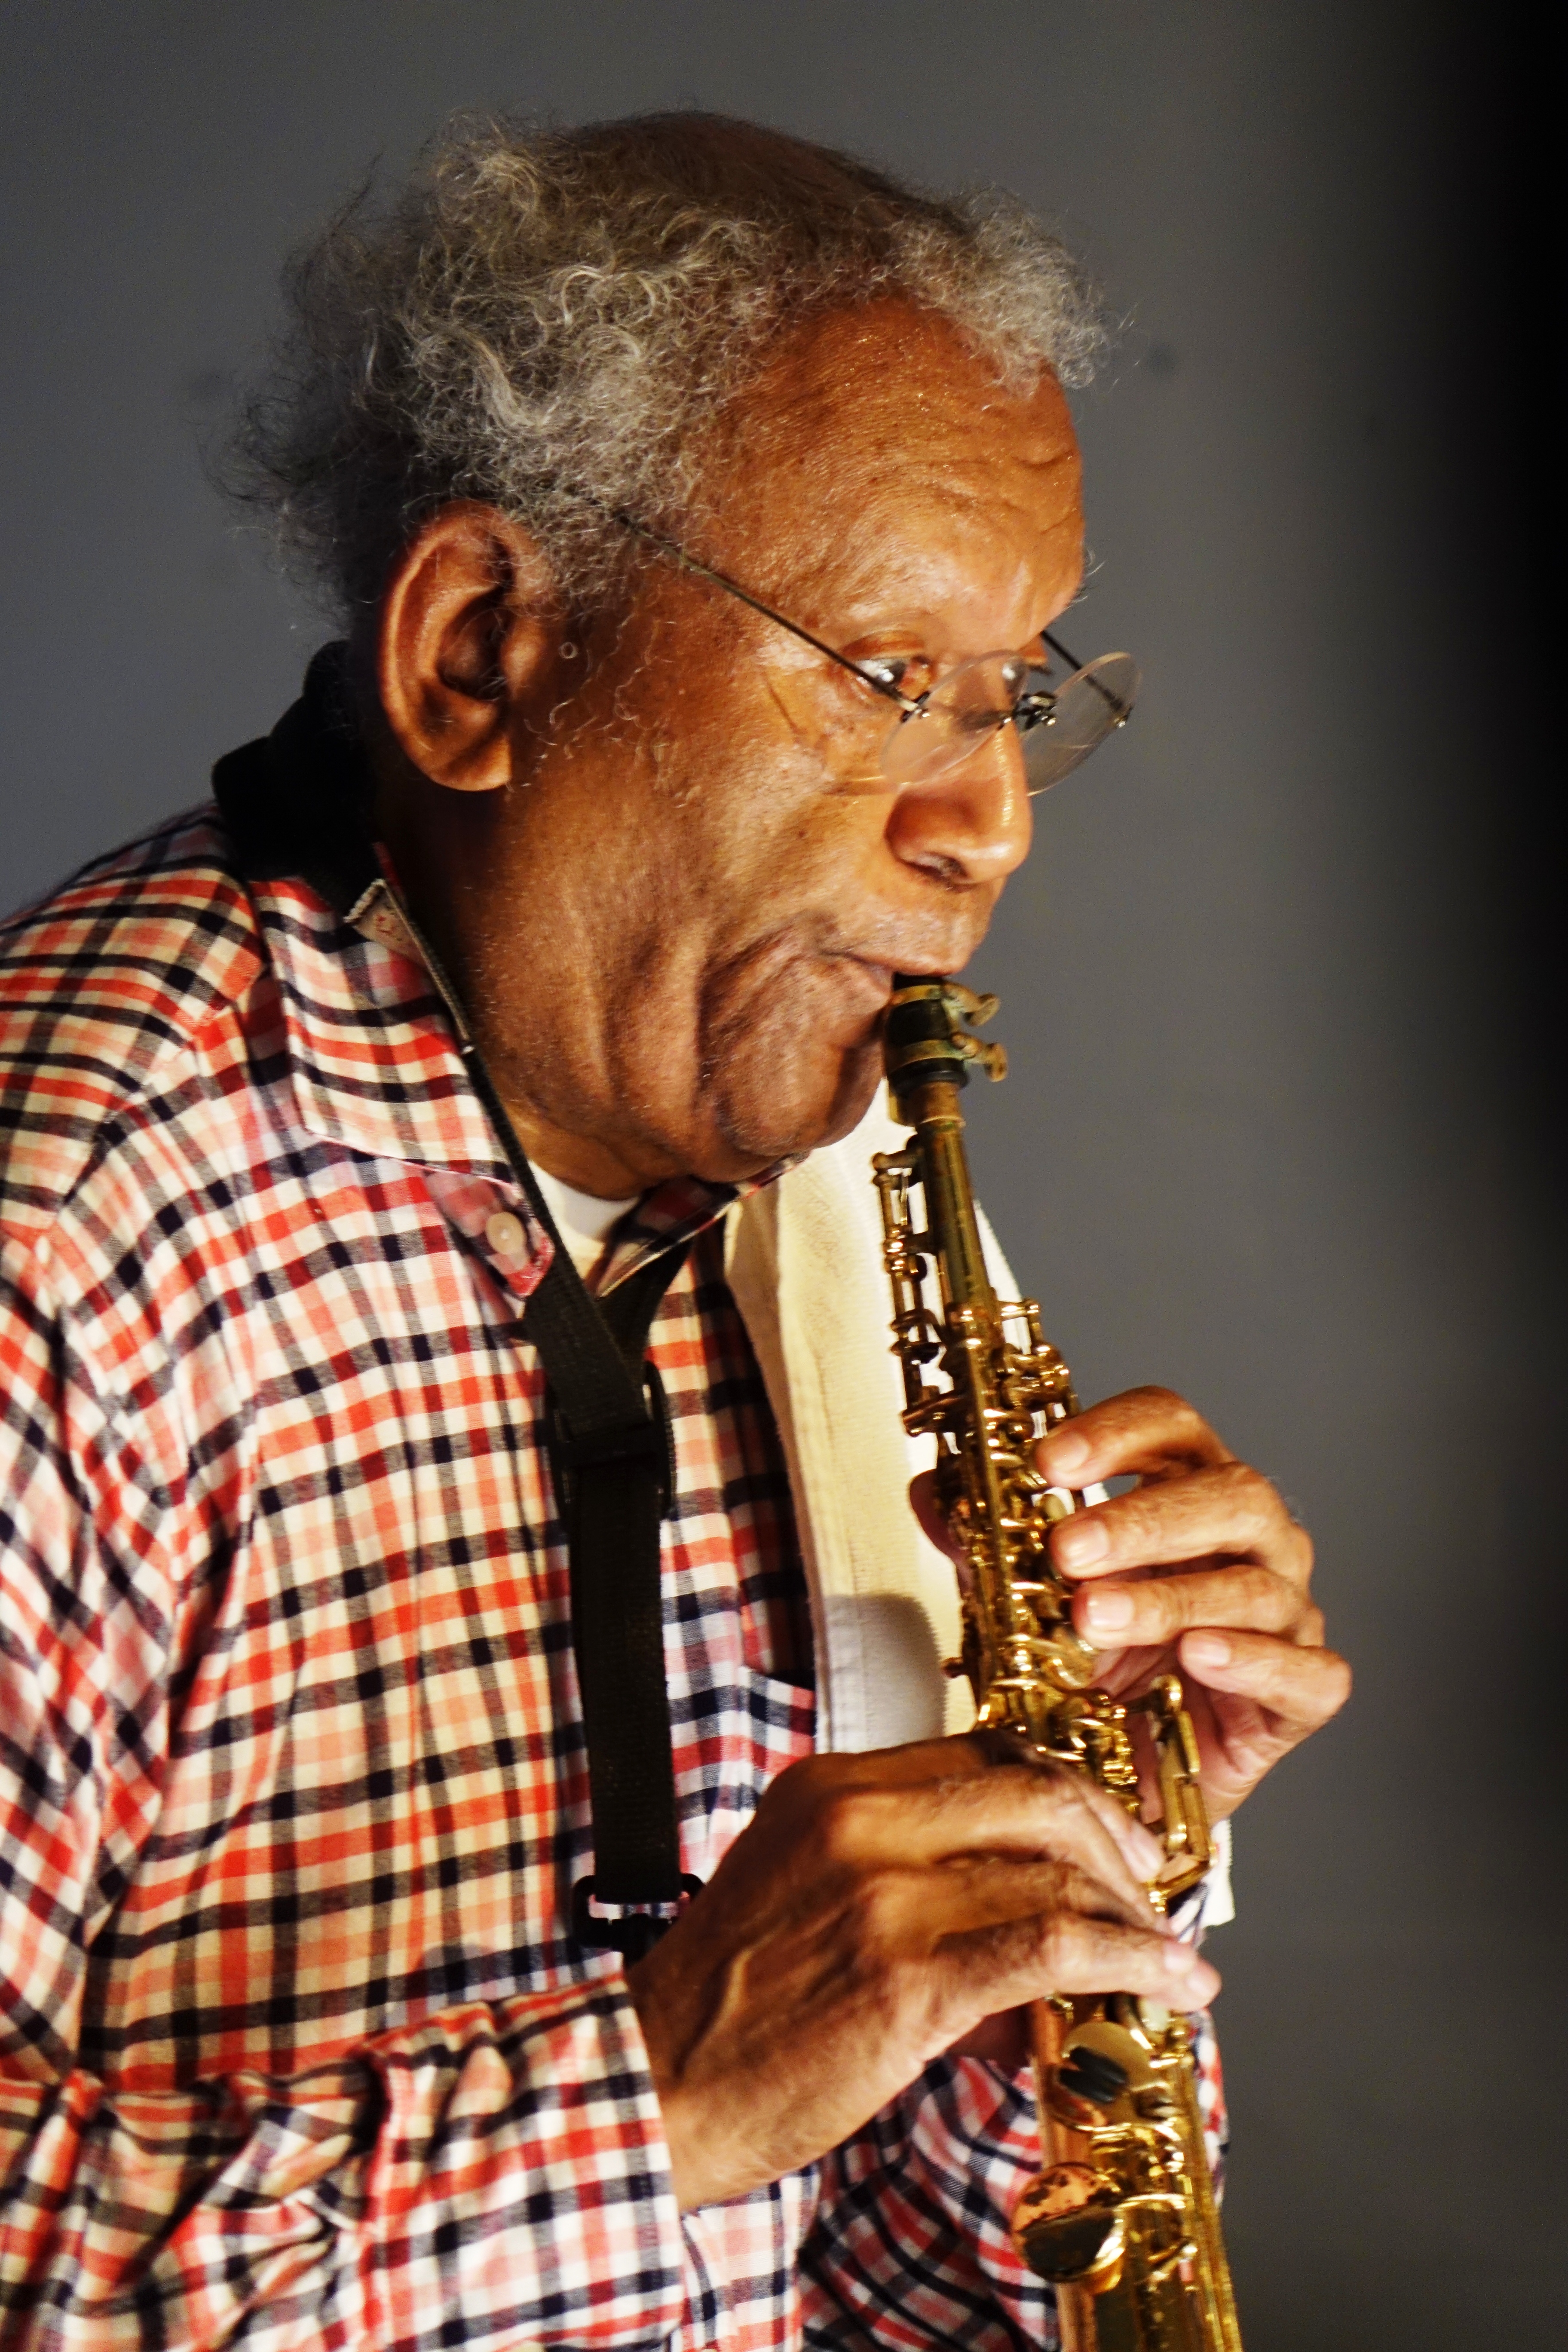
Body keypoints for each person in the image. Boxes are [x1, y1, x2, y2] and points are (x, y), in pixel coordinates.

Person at [0, 114, 1349, 2351]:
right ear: (483, 653)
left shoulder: (800, 1198)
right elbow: (690, 2151)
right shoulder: (63, 1252)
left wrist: (1047, 1917)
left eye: (1023, 688)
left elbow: (877, 2294)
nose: (990, 818)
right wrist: (652, 2104)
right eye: (885, 673)